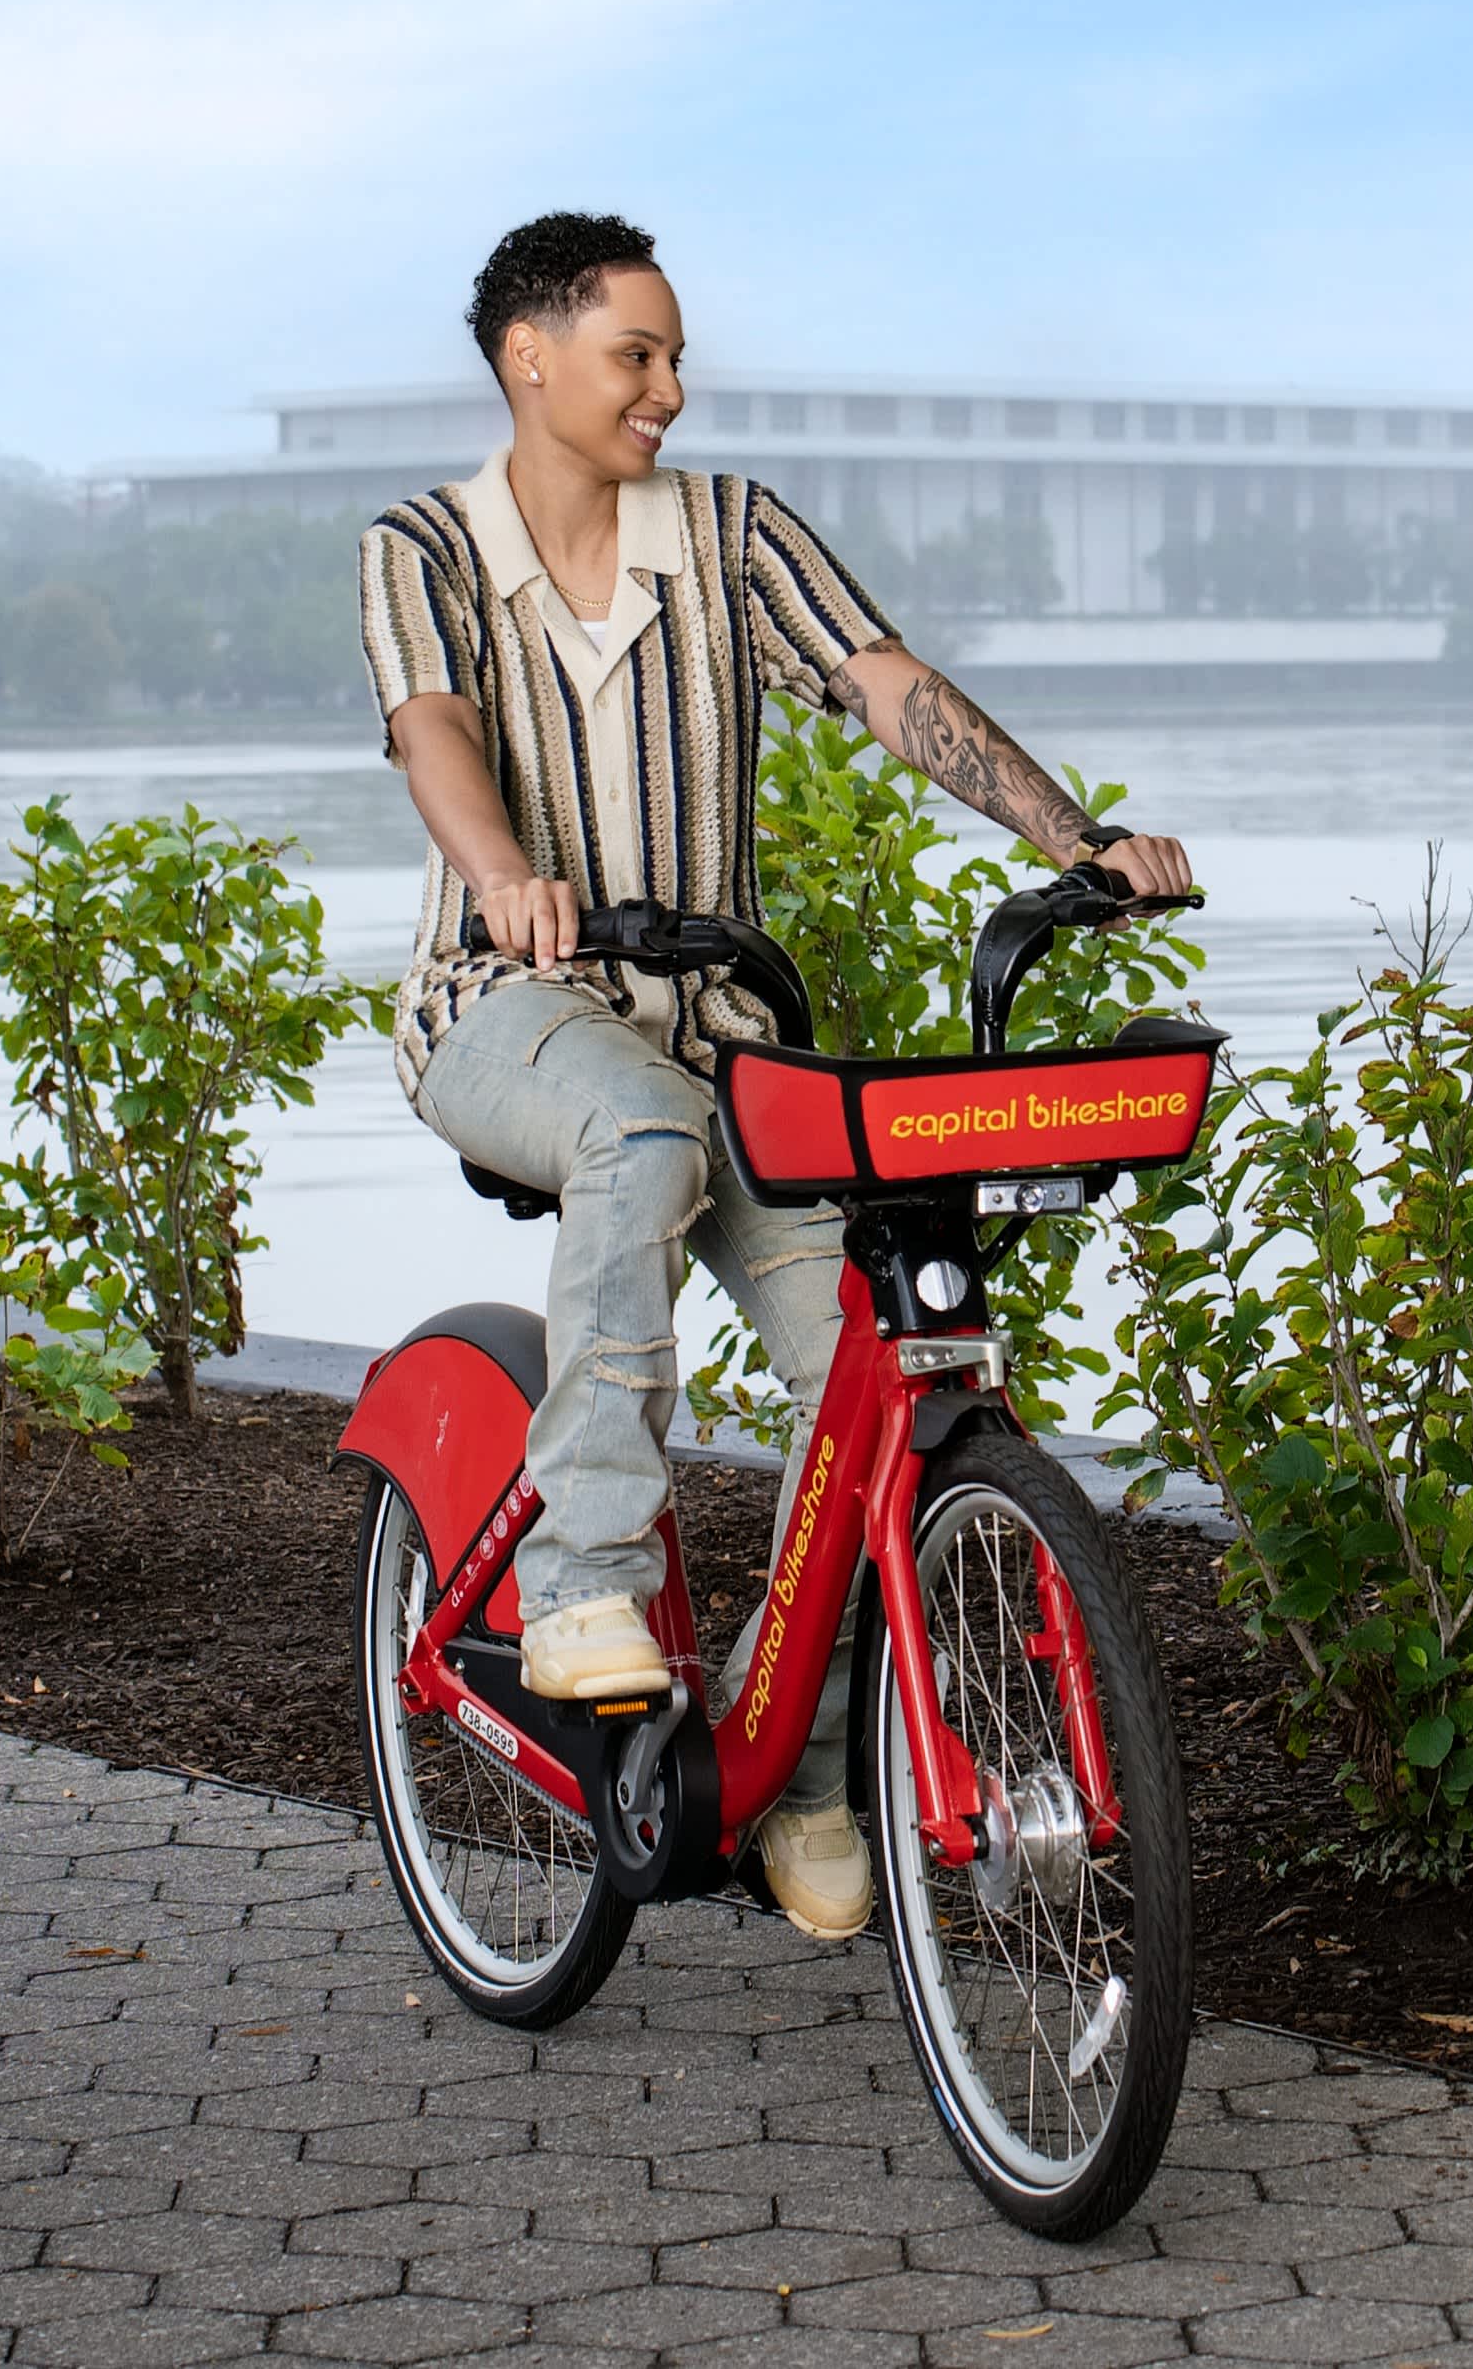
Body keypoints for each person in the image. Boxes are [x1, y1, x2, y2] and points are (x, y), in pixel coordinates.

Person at [360, 211, 1197, 1943]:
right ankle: (586, 1576)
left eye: (675, 358)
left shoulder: (729, 534)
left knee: (879, 1367)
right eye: (636, 356)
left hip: (719, 1029)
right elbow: (435, 728)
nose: (673, 386)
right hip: (502, 1007)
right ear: (532, 356)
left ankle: (796, 1762)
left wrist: (1080, 836)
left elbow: (891, 690)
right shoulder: (425, 547)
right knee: (638, 1124)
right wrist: (510, 871)